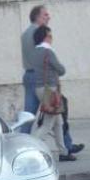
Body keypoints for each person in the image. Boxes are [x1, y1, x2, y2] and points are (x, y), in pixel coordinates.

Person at [21, 6, 84, 153]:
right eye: (45, 15)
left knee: (33, 116)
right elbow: (53, 65)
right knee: (52, 116)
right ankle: (29, 146)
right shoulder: (38, 36)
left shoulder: (25, 33)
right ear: (37, 17)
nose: (48, 17)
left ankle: (64, 148)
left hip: (31, 76)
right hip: (45, 82)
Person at [31, 25, 76, 162]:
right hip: (50, 90)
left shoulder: (35, 52)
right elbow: (61, 70)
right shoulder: (48, 52)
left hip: (40, 88)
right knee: (47, 124)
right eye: (50, 36)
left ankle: (63, 152)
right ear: (45, 37)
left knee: (58, 122)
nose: (52, 39)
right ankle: (30, 148)